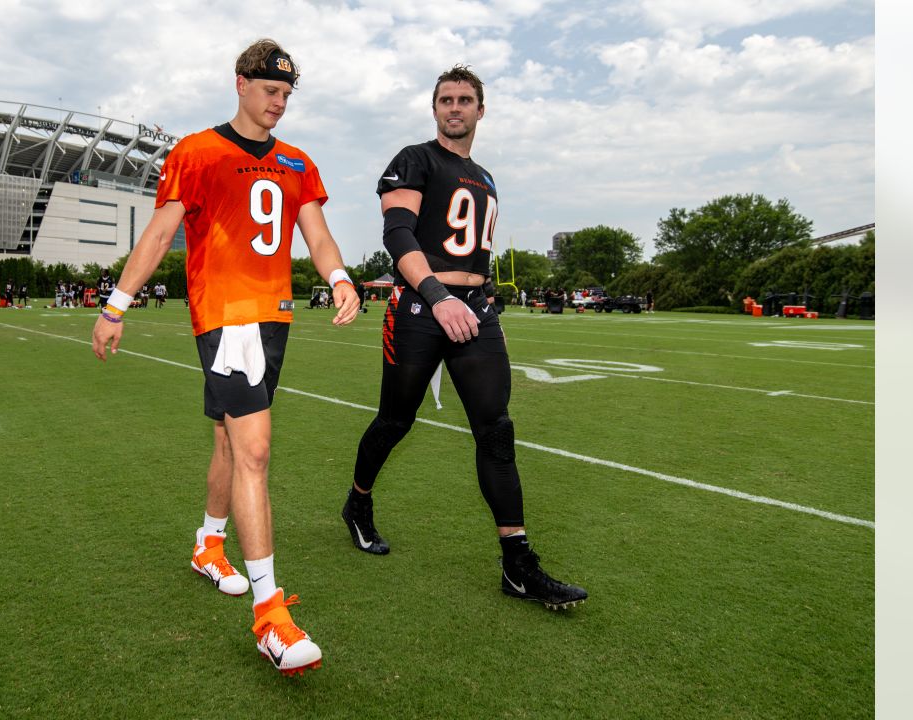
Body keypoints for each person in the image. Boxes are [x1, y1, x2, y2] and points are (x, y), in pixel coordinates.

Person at [92, 38, 360, 675]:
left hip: (274, 318)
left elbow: (315, 233)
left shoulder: (298, 162)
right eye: (271, 91)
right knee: (256, 451)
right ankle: (271, 616)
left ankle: (208, 546)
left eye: (288, 95)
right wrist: (116, 305)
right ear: (240, 83)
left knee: (228, 444)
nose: (280, 104)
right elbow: (160, 231)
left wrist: (341, 276)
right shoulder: (198, 151)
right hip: (226, 316)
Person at [341, 64, 587, 611]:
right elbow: (398, 233)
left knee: (495, 430)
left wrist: (485, 293)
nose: (455, 107)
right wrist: (436, 295)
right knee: (396, 419)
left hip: (474, 310)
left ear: (481, 110)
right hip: (420, 307)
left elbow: (475, 250)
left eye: (465, 99)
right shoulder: (414, 159)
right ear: (434, 109)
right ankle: (358, 504)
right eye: (446, 99)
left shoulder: (485, 176)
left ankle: (517, 565)